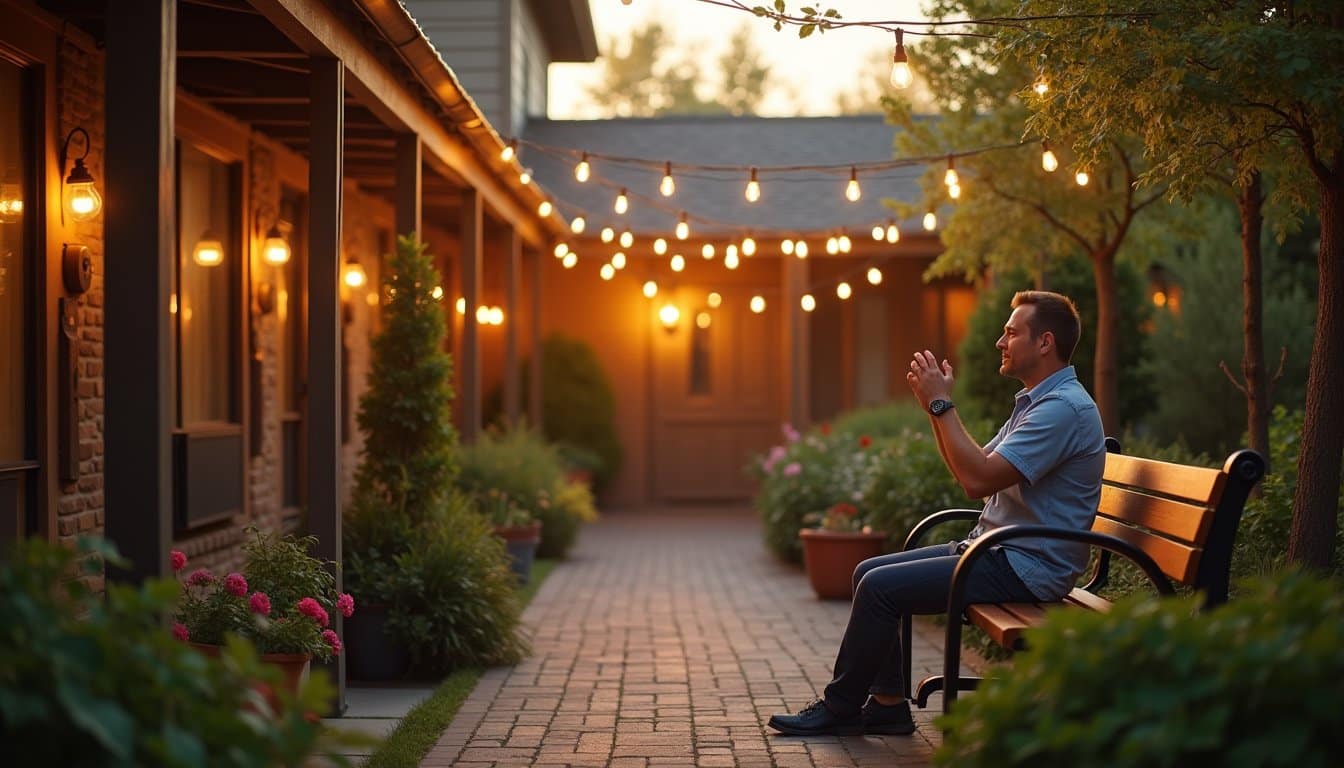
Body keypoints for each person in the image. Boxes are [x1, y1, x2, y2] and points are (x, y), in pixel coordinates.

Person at [768, 290, 1106, 736]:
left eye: (1010, 332)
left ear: (1045, 343)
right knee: (866, 572)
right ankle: (887, 705)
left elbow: (978, 479)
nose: (999, 342)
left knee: (879, 588)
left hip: (1026, 565)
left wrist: (941, 405)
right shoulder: (1038, 402)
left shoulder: (1063, 410)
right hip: (998, 550)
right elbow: (971, 470)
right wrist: (934, 406)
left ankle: (841, 706)